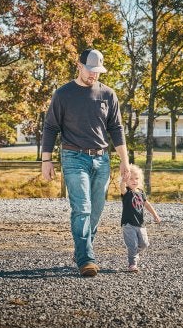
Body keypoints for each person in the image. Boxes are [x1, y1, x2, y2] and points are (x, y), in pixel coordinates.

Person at [41, 48, 130, 277]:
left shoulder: (108, 94)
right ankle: (86, 258)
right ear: (79, 66)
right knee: (82, 208)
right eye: (90, 70)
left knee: (97, 210)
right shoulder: (63, 94)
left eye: (97, 71)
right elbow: (51, 127)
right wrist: (47, 160)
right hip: (73, 157)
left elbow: (116, 128)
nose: (94, 75)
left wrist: (124, 161)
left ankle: (82, 249)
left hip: (102, 158)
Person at [120, 164, 160, 273]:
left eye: (136, 178)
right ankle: (132, 264)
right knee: (132, 244)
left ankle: (133, 253)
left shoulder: (141, 193)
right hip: (128, 224)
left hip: (140, 224)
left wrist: (155, 214)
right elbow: (122, 187)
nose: (134, 181)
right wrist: (123, 180)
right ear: (127, 180)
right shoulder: (127, 192)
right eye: (131, 179)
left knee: (144, 244)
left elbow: (147, 205)